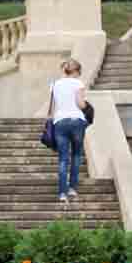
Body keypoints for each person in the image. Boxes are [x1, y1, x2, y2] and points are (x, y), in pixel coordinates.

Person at [41, 58, 89, 201]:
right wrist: (87, 106)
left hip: (60, 122)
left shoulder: (55, 84)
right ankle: (72, 188)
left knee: (63, 158)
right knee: (76, 155)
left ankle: (62, 193)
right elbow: (80, 104)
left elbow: (52, 107)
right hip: (76, 121)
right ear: (76, 71)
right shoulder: (78, 83)